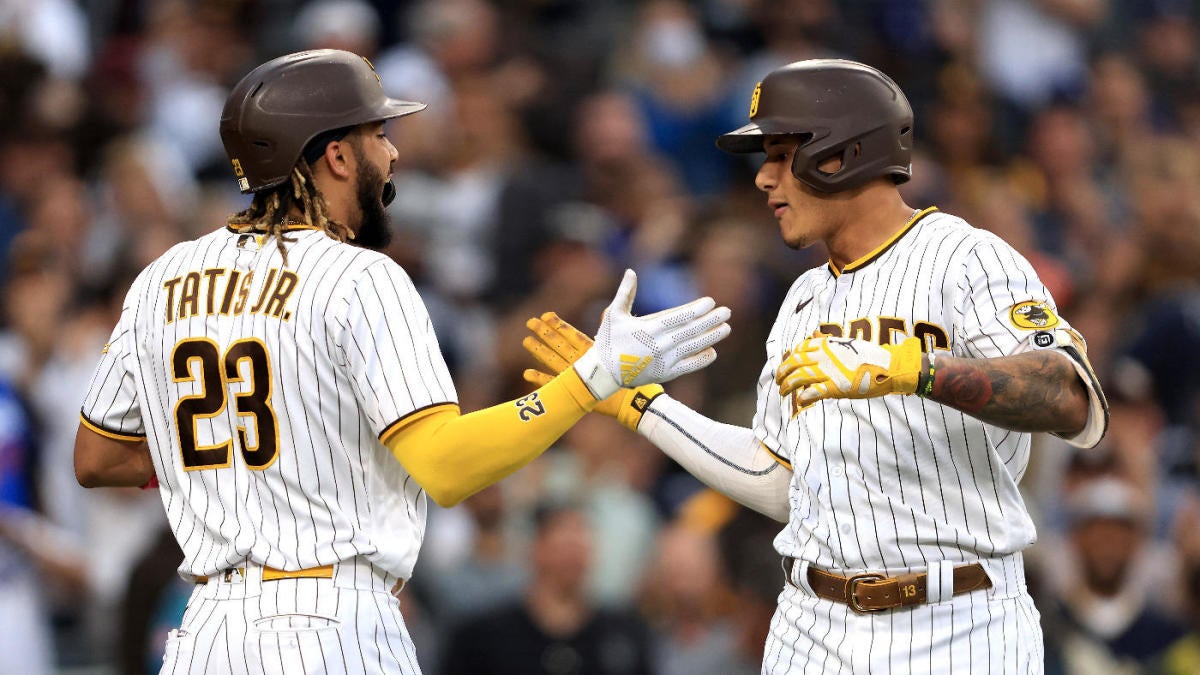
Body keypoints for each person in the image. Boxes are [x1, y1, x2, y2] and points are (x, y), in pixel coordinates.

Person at [71, 49, 730, 675]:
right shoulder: (359, 277)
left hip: (209, 631)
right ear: (334, 154)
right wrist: (590, 379)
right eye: (378, 135)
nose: (392, 153)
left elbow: (96, 457)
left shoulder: (163, 277)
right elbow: (445, 466)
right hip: (332, 622)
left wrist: (250, 461)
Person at [523, 58, 1109, 673]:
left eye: (779, 155)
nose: (763, 179)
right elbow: (782, 481)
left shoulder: (967, 259)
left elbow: (1070, 397)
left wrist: (920, 370)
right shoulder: (803, 298)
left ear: (842, 152)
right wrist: (640, 406)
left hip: (958, 619)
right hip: (813, 622)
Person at [440, 500, 654, 675]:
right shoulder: (481, 638)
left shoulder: (625, 634)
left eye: (581, 543)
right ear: (535, 548)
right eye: (564, 544)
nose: (574, 554)